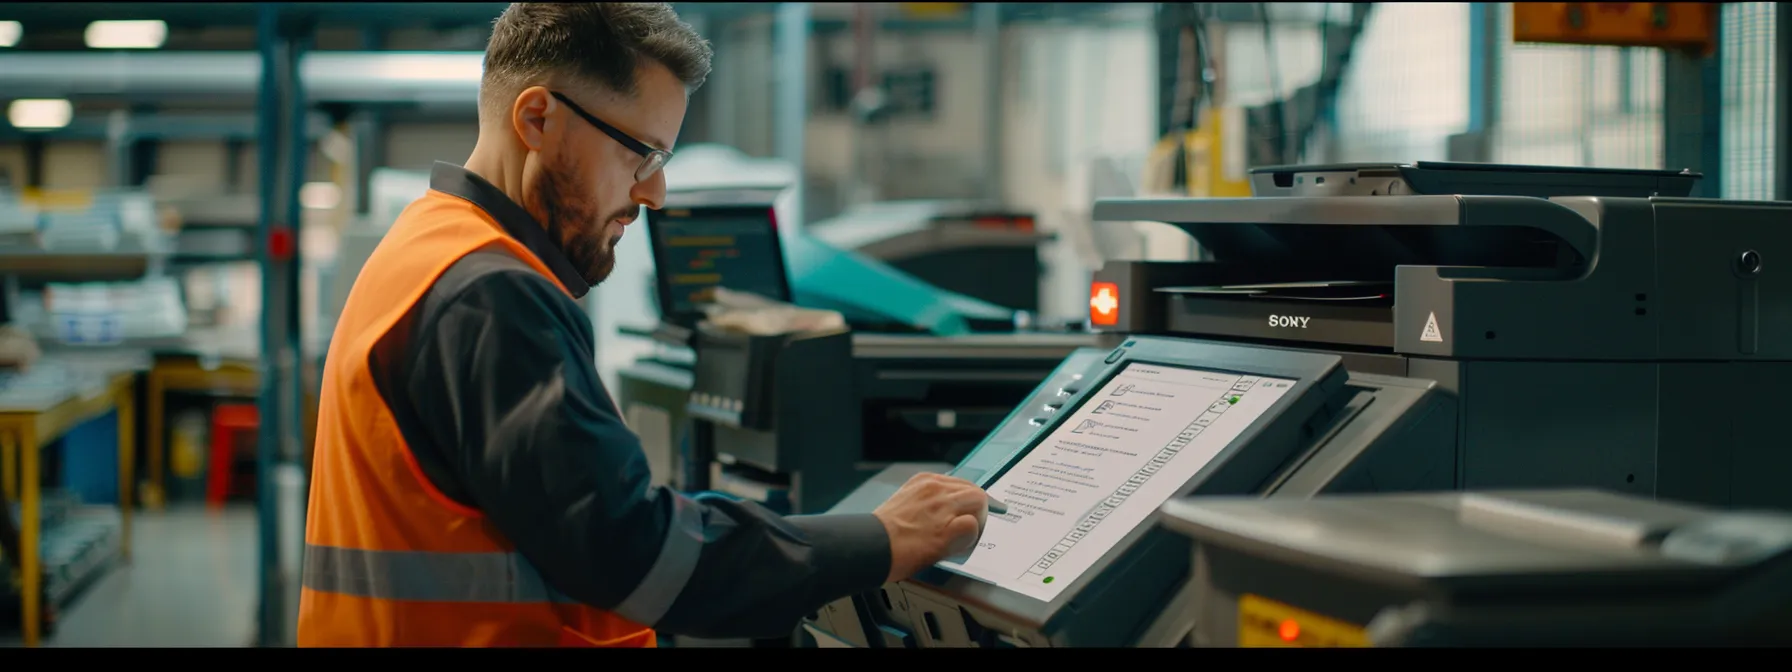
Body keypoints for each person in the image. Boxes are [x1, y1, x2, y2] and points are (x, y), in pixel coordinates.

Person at [295, 2, 991, 648]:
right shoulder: (488, 293)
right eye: (640, 154)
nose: (654, 193)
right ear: (536, 119)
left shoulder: (427, 247)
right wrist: (880, 540)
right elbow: (637, 552)